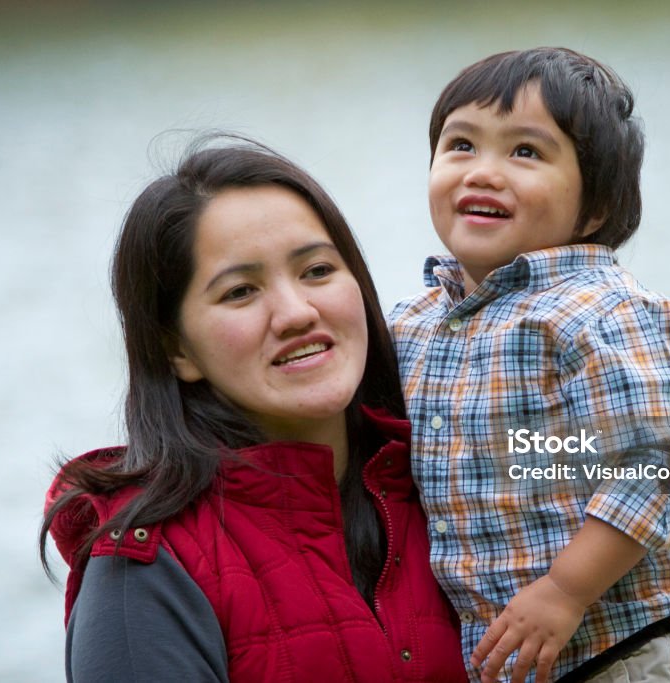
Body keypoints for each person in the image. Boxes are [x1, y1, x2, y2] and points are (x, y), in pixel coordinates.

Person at [40, 139, 469, 682]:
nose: (296, 312)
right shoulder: (144, 571)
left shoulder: (453, 478)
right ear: (176, 349)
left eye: (316, 270)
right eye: (241, 291)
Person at [388, 48, 670, 683]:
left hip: (635, 651)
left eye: (525, 152)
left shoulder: (601, 311)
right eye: (461, 144)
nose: (483, 172)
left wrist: (564, 590)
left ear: (596, 207)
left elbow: (658, 465)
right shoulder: (413, 325)